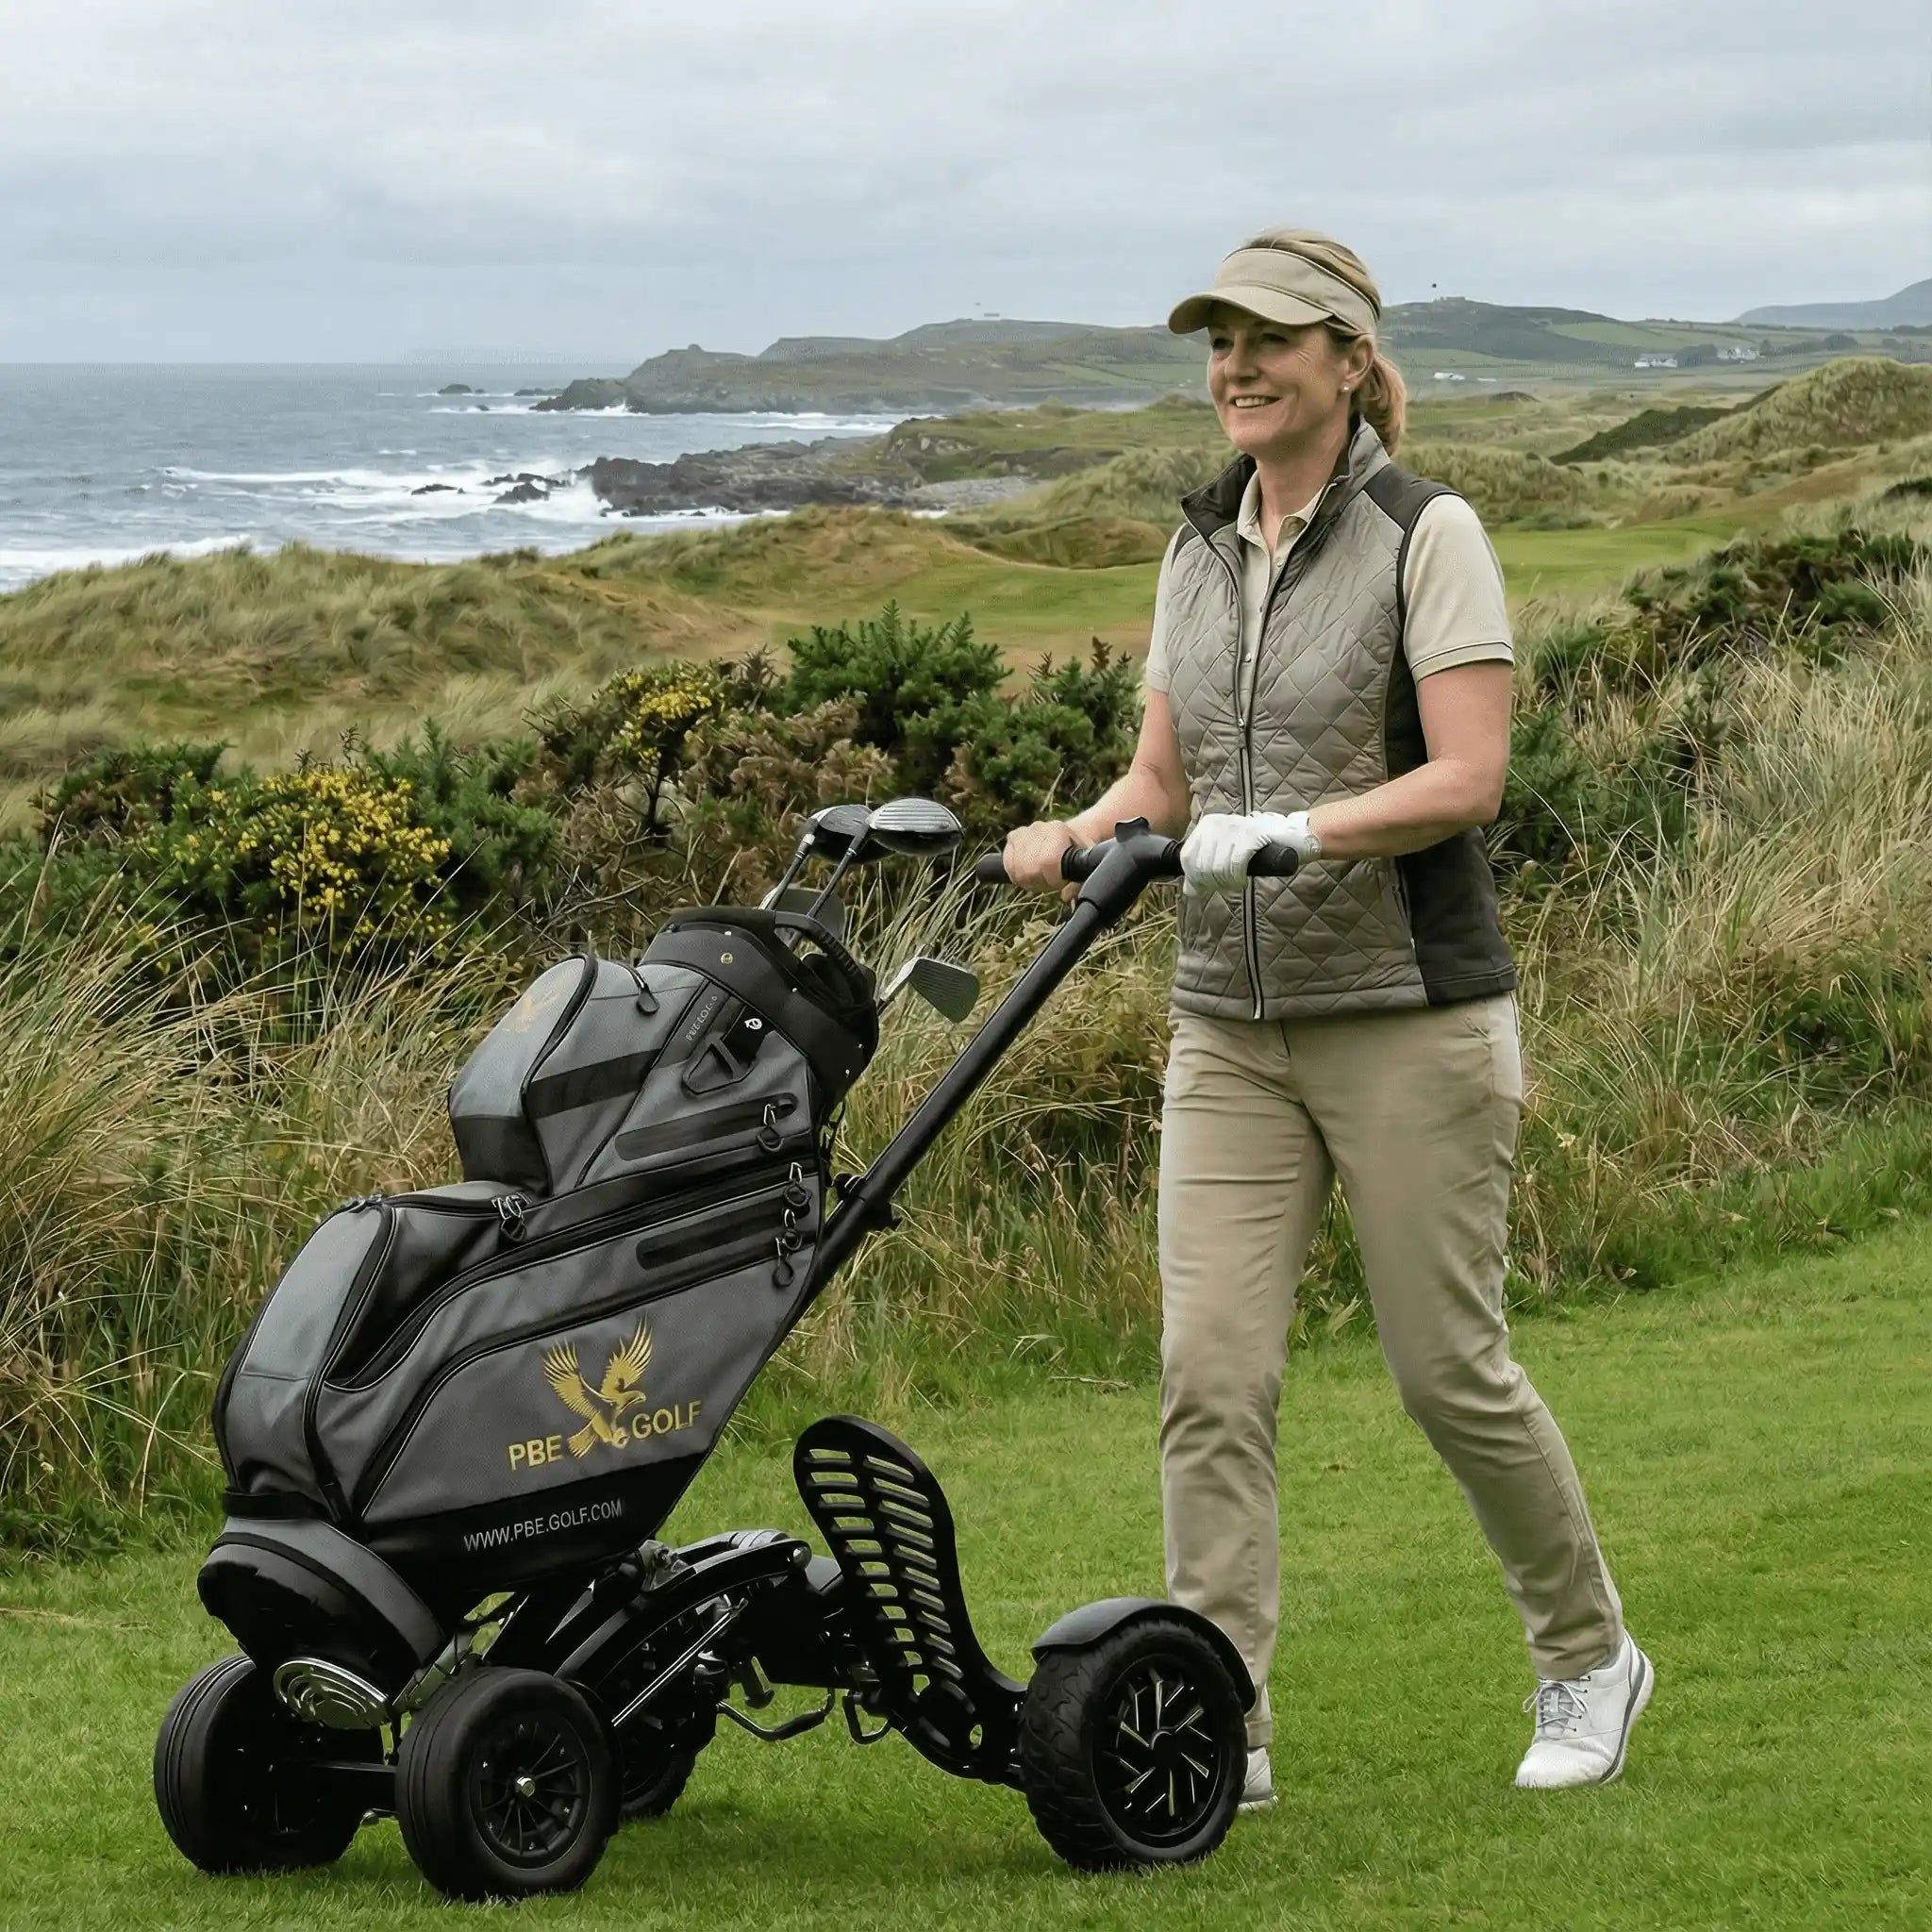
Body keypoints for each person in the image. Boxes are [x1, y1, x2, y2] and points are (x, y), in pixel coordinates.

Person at [1000, 229, 1651, 1803]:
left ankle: (1588, 1659)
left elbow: (1469, 775)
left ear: (1349, 361)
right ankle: (1224, 1722)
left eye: (1270, 340)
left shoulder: (1431, 533)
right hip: (1226, 1019)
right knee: (1210, 1375)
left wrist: (1303, 828)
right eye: (1219, 341)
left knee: (1448, 1370)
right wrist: (1079, 828)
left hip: (1407, 1014)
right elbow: (1164, 782)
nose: (1236, 366)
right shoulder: (1195, 545)